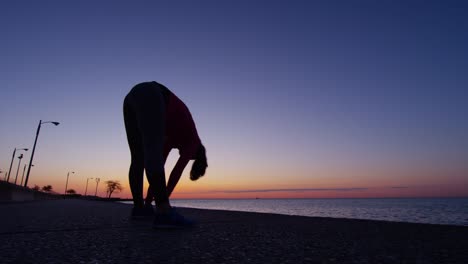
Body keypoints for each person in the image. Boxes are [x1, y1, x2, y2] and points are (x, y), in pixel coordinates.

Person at [123, 81, 207, 228]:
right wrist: (163, 202)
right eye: (191, 156)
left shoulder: (173, 136)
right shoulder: (194, 141)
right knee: (150, 155)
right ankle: (164, 213)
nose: (184, 155)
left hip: (131, 97)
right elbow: (175, 172)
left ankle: (139, 209)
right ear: (197, 152)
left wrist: (149, 202)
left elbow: (157, 165)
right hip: (153, 95)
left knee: (138, 159)